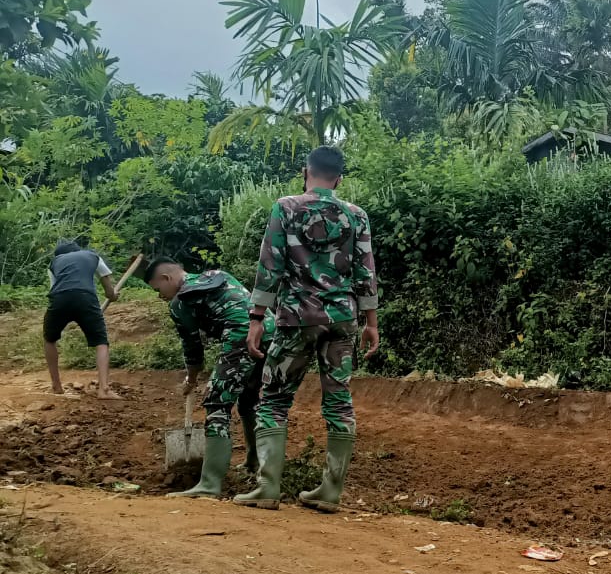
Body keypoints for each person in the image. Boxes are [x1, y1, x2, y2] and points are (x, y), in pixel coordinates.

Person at [235, 145, 379, 512]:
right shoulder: (356, 215)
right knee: (339, 401)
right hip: (342, 320)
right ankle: (330, 491)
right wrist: (371, 322)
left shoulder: (285, 208)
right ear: (339, 179)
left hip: (296, 318)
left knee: (274, 399)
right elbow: (366, 270)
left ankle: (268, 487)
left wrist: (256, 319)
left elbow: (270, 265)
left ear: (305, 172)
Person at [144, 257, 276, 498]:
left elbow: (193, 348)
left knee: (217, 403)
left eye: (158, 289)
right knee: (248, 401)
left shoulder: (180, 302)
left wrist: (191, 379)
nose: (160, 296)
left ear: (167, 278)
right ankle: (253, 462)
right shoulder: (217, 275)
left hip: (241, 336)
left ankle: (209, 483)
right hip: (271, 330)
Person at [43, 240, 121, 399]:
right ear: (79, 250)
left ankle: (56, 386)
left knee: (49, 339)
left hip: (59, 299)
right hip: (86, 297)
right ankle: (104, 390)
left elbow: (55, 288)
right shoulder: (92, 256)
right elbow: (108, 290)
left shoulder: (54, 263)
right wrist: (113, 296)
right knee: (101, 342)